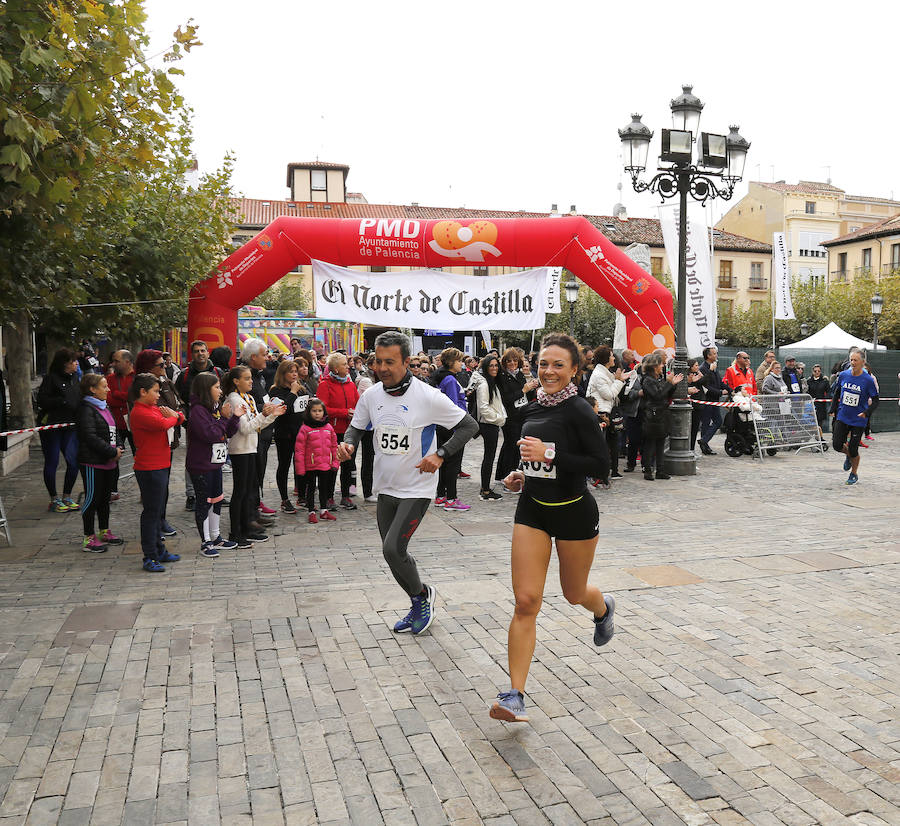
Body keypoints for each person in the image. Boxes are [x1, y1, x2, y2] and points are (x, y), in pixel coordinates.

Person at [490, 333, 611, 723]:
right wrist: (519, 475)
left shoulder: (579, 410)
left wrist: (551, 453)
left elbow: (600, 466)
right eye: (543, 363)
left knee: (574, 593)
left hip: (575, 511)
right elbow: (532, 461)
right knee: (526, 601)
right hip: (533, 510)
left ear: (575, 369)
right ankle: (515, 695)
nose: (549, 371)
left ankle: (603, 607)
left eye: (558, 364)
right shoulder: (528, 410)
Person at [336, 331, 478, 635]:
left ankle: (421, 597)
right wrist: (348, 444)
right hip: (385, 486)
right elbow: (355, 428)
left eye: (391, 362)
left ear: (406, 361)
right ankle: (419, 599)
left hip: (418, 486)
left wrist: (441, 454)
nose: (383, 368)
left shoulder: (427, 396)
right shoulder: (371, 395)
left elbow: (469, 425)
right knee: (393, 555)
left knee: (392, 550)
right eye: (379, 362)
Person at [223, 365, 284, 547]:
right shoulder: (234, 399)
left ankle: (246, 526)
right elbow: (245, 428)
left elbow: (257, 426)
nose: (251, 381)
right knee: (240, 492)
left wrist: (271, 416)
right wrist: (263, 415)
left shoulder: (248, 398)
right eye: (247, 378)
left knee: (249, 492)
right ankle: (236, 531)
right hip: (240, 449)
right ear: (236, 381)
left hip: (250, 447)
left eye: (251, 378)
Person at [129, 373, 184, 572]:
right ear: (142, 392)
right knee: (151, 513)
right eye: (155, 391)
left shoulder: (152, 408)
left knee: (158, 510)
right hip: (149, 467)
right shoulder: (140, 412)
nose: (158, 395)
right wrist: (175, 416)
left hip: (160, 464)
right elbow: (165, 422)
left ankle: (159, 550)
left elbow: (178, 417)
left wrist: (175, 416)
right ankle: (149, 555)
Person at [186, 373, 242, 557]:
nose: (220, 390)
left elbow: (227, 433)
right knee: (204, 502)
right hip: (201, 464)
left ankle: (216, 536)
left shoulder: (214, 408)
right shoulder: (198, 411)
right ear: (206, 389)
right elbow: (211, 434)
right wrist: (224, 419)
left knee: (217, 499)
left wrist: (233, 418)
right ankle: (206, 542)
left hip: (215, 463)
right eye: (216, 387)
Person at [75, 374, 124, 552]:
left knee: (104, 499)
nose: (108, 389)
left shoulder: (105, 407)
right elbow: (90, 436)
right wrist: (111, 451)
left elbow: (114, 429)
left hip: (109, 462)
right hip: (93, 462)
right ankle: (88, 537)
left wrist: (119, 447)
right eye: (104, 386)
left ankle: (104, 531)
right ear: (92, 389)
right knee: (92, 499)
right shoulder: (86, 409)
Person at [175, 341, 223, 510]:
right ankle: (191, 494)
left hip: (215, 422)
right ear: (192, 354)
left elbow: (223, 394)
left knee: (216, 457)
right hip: (194, 423)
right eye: (196, 351)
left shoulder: (217, 372)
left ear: (208, 353)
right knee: (194, 457)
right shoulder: (185, 374)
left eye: (203, 350)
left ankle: (215, 492)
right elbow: (178, 398)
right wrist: (186, 419)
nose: (200, 354)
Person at [36, 348, 82, 512]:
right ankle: (54, 499)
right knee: (52, 461)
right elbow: (42, 400)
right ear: (65, 364)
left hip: (70, 427)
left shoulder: (76, 378)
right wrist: (61, 402)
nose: (76, 364)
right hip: (52, 428)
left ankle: (67, 496)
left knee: (73, 461)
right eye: (73, 361)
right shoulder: (50, 379)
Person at [316, 352, 360, 510]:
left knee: (348, 464)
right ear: (335, 368)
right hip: (333, 431)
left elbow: (358, 403)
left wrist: (355, 412)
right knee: (332, 465)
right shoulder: (325, 384)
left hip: (350, 432)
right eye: (344, 364)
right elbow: (322, 408)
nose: (348, 366)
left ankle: (346, 496)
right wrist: (344, 412)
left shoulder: (351, 384)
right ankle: (328, 497)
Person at [241, 338, 279, 518]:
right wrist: (264, 410)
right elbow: (246, 405)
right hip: (253, 433)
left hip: (264, 432)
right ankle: (251, 509)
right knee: (252, 474)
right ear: (253, 357)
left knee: (259, 471)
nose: (267, 357)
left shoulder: (258, 375)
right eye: (264, 354)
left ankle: (256, 503)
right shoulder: (246, 376)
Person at [830, 350, 878, 485]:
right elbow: (838, 392)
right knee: (837, 445)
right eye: (851, 360)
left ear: (863, 363)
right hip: (843, 415)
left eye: (855, 360)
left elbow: (875, 400)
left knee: (853, 448)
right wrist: (833, 408)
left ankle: (854, 474)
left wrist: (866, 413)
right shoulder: (844, 375)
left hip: (858, 419)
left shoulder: (868, 380)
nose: (852, 363)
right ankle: (848, 456)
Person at [432, 348, 471, 511]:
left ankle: (441, 496)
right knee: (453, 464)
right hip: (454, 427)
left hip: (444, 426)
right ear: (451, 362)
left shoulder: (444, 377)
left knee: (445, 462)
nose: (461, 364)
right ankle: (451, 499)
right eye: (459, 361)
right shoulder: (449, 380)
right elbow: (453, 406)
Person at [496, 348, 538, 488]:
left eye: (515, 360)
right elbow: (506, 398)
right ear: (505, 362)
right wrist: (523, 390)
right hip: (510, 416)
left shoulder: (519, 375)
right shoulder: (502, 377)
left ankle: (504, 474)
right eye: (509, 361)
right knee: (511, 446)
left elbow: (525, 397)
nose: (512, 363)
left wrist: (532, 389)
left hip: (521, 414)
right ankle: (507, 476)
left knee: (512, 446)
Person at [268, 359, 305, 514]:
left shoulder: (300, 389)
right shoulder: (275, 390)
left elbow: (303, 409)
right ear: (283, 374)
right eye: (291, 371)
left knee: (301, 464)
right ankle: (284, 499)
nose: (295, 374)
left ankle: (302, 496)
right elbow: (283, 409)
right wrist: (292, 393)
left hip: (300, 432)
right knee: (284, 465)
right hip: (284, 433)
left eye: (296, 371)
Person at [294, 398, 339, 523]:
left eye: (320, 410)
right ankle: (311, 511)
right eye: (314, 411)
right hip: (311, 465)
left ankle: (324, 510)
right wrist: (300, 468)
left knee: (324, 488)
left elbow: (334, 446)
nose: (317, 413)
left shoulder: (329, 427)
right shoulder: (305, 428)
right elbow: (299, 450)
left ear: (324, 412)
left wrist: (335, 462)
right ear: (309, 412)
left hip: (325, 464)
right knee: (311, 488)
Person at [640, 353, 683, 481]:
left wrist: (672, 385)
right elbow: (657, 395)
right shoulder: (648, 380)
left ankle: (660, 470)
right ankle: (648, 470)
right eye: (661, 364)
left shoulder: (658, 378)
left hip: (662, 414)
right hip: (653, 415)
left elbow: (666, 394)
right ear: (654, 366)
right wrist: (669, 383)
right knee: (650, 443)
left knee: (660, 443)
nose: (663, 366)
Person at [586, 345, 626, 483]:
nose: (614, 357)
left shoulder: (604, 373)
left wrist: (619, 380)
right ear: (606, 358)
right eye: (611, 355)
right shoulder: (599, 375)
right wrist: (619, 381)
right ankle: (598, 475)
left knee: (611, 444)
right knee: (601, 445)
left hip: (605, 411)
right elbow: (609, 395)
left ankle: (607, 472)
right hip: (600, 413)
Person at [475, 353, 506, 501]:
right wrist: (498, 419)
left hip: (491, 424)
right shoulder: (485, 384)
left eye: (496, 365)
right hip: (488, 424)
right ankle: (485, 490)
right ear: (486, 368)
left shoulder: (492, 382)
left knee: (489, 457)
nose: (494, 368)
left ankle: (485, 488)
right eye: (491, 366)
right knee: (489, 457)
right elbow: (483, 408)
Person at [106, 349, 135, 501]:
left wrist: (117, 394)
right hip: (115, 423)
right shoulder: (110, 379)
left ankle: (145, 490)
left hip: (134, 423)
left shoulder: (137, 378)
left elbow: (136, 398)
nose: (113, 364)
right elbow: (108, 399)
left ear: (128, 362)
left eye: (117, 361)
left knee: (140, 456)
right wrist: (124, 397)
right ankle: (112, 490)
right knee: (113, 456)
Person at [697, 346, 726, 455]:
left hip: (714, 400)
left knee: (718, 421)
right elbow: (706, 386)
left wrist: (729, 389)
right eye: (714, 354)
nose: (716, 355)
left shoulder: (713, 366)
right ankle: (705, 445)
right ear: (708, 356)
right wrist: (720, 392)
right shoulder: (703, 368)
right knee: (706, 423)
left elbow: (719, 382)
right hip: (706, 400)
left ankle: (704, 441)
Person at [686, 358, 705, 453]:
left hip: (699, 404)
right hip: (693, 405)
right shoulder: (689, 376)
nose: (698, 367)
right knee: (691, 428)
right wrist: (693, 381)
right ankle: (689, 449)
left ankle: (692, 449)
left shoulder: (696, 375)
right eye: (696, 365)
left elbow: (704, 382)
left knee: (695, 428)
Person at [806, 364, 831, 436]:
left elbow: (828, 391)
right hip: (811, 405)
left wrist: (826, 399)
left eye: (818, 371)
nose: (817, 372)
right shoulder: (809, 381)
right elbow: (807, 392)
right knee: (811, 422)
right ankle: (813, 437)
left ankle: (820, 437)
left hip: (821, 406)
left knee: (820, 423)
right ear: (812, 372)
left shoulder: (825, 381)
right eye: (815, 371)